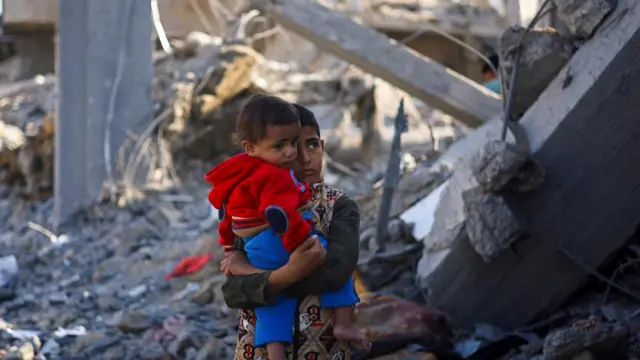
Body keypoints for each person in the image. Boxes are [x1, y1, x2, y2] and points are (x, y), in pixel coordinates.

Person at [206, 96, 368, 360]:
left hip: (323, 351)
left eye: (312, 145)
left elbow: (336, 272)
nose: (302, 156)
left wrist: (265, 275)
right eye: (288, 145)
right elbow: (234, 292)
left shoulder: (339, 206)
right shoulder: (251, 205)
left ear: (323, 147)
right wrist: (271, 275)